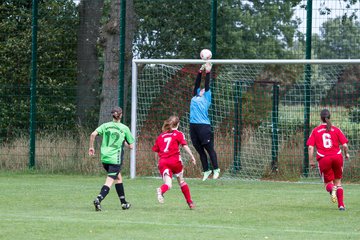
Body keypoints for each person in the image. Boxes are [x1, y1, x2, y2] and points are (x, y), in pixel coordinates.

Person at [88, 106, 135, 211]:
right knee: (109, 181)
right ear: (121, 115)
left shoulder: (105, 125)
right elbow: (131, 146)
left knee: (118, 178)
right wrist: (124, 141)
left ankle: (123, 203)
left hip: (105, 158)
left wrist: (91, 147)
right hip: (115, 159)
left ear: (112, 116)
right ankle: (98, 199)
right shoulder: (124, 128)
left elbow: (93, 134)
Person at [306, 109, 350, 211]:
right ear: (330, 117)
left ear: (320, 118)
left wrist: (311, 161)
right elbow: (344, 145)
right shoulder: (336, 129)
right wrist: (346, 154)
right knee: (338, 182)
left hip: (324, 158)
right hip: (337, 157)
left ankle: (332, 189)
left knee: (328, 184)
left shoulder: (316, 131)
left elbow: (310, 147)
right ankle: (341, 205)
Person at [152, 115, 196, 209]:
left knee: (168, 184)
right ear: (178, 124)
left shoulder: (161, 136)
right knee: (181, 181)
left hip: (163, 162)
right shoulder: (179, 134)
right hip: (175, 161)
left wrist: (157, 163)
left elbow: (156, 152)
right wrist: (192, 156)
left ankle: (161, 190)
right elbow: (184, 146)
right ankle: (190, 202)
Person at [189, 62, 220, 181]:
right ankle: (206, 171)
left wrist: (207, 72)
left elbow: (206, 85)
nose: (201, 90)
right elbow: (197, 83)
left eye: (203, 90)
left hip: (203, 126)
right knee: (199, 149)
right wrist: (199, 71)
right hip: (193, 126)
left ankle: (216, 169)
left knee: (209, 148)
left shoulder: (207, 97)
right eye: (200, 89)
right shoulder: (194, 97)